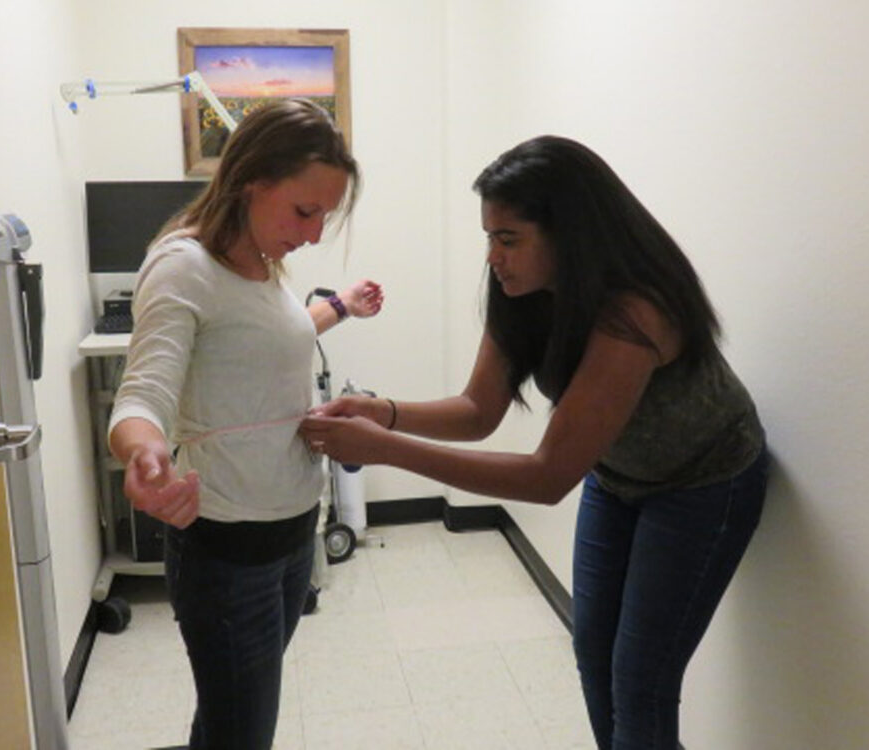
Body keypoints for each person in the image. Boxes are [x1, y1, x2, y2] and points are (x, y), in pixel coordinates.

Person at [300, 135, 767, 749]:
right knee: (595, 657)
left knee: (641, 685)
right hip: (619, 475)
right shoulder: (520, 291)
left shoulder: (636, 311)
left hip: (704, 483)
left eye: (508, 238)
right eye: (489, 238)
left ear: (570, 234)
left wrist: (384, 447)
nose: (494, 256)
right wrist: (383, 413)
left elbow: (547, 479)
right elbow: (476, 410)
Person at [108, 98, 383, 750]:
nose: (315, 233)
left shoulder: (262, 265)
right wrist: (144, 456)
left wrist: (340, 307)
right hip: (230, 557)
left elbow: (259, 344)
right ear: (251, 181)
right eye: (305, 210)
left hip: (289, 537)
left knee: (230, 722)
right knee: (242, 733)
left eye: (327, 215)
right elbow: (142, 394)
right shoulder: (185, 266)